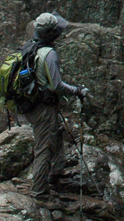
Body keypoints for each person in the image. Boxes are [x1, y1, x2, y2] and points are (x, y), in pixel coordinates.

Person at [21, 11, 88, 205]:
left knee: (57, 131)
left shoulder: (30, 48)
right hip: (43, 108)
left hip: (32, 104)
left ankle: (56, 171)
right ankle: (39, 193)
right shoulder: (49, 54)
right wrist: (78, 91)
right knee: (43, 148)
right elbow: (57, 86)